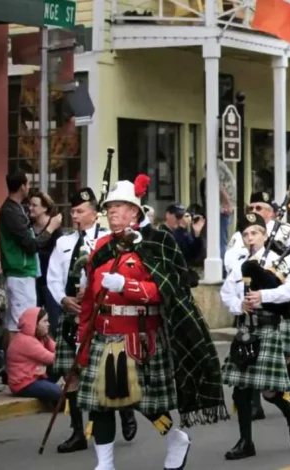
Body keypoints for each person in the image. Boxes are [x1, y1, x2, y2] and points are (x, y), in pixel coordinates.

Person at [76, 176, 228, 470]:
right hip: (104, 336)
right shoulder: (100, 247)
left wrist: (126, 286)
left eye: (120, 206)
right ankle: (104, 464)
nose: (113, 211)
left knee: (148, 405)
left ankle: (175, 439)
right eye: (109, 207)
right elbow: (88, 304)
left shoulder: (155, 244)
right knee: (99, 405)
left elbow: (166, 291)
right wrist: (83, 340)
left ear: (134, 211)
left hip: (140, 338)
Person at [46, 188, 138, 454]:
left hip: (99, 314)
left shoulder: (109, 239)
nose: (75, 216)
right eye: (72, 211)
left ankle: (125, 412)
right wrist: (63, 300)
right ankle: (77, 432)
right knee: (70, 373)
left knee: (108, 372)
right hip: (70, 313)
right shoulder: (63, 242)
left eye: (80, 211)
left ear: (94, 213)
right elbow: (53, 276)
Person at [219, 213, 290, 460]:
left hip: (268, 328)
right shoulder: (238, 264)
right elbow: (226, 294)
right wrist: (240, 306)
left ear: (264, 235)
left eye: (255, 233)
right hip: (245, 329)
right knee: (241, 390)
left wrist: (263, 297)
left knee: (268, 391)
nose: (250, 238)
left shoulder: (275, 262)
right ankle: (246, 442)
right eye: (246, 234)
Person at [226, 191, 290, 418]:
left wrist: (277, 268)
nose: (254, 212)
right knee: (247, 363)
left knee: (283, 356)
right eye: (251, 208)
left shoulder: (286, 231)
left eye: (259, 208)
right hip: (249, 304)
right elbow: (231, 262)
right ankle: (253, 407)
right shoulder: (240, 235)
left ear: (271, 211)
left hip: (278, 306)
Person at [0, 171, 62, 337]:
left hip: (24, 272)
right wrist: (51, 227)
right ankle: (17, 362)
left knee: (18, 323)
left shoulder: (15, 210)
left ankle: (17, 361)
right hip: (20, 272)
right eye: (27, 184)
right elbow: (31, 245)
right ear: (22, 186)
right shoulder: (11, 211)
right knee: (21, 324)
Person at [6, 307, 60, 402]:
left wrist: (47, 339)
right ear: (34, 323)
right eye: (45, 321)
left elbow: (58, 350)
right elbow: (53, 358)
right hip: (23, 384)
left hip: (35, 378)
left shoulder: (39, 337)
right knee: (60, 393)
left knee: (62, 366)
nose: (48, 324)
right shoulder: (26, 341)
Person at [28, 191, 63, 333]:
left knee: (53, 320)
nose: (30, 208)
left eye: (34, 205)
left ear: (45, 208)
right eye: (29, 204)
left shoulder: (54, 228)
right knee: (33, 319)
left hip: (50, 281)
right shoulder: (28, 226)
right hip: (33, 279)